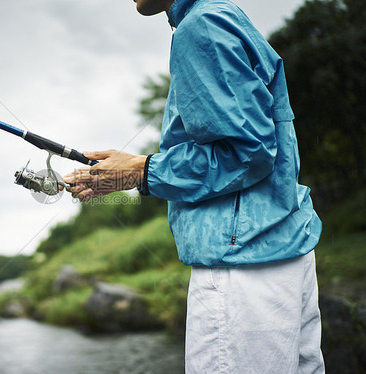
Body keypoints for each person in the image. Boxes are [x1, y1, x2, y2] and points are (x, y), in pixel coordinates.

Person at [64, 0, 325, 372]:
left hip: (241, 265)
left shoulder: (200, 26)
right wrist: (132, 173)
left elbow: (248, 151)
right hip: (280, 253)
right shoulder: (221, 16)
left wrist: (141, 170)